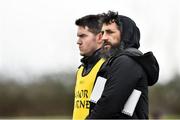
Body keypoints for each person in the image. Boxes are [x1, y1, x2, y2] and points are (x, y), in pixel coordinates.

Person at [86, 11, 160, 119]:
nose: (104, 38)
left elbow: (107, 106)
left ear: (126, 35)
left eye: (110, 32)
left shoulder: (127, 62)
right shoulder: (114, 61)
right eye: (102, 33)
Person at [72, 14, 105, 120]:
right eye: (78, 36)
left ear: (99, 37)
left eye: (83, 36)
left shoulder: (107, 67)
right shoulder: (80, 70)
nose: (78, 41)